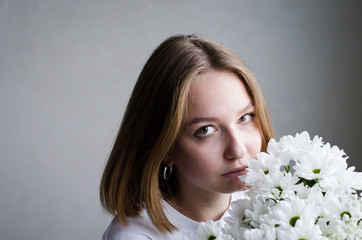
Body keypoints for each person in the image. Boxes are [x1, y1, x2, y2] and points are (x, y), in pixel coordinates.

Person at [100, 34, 274, 239]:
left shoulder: (273, 203)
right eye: (205, 130)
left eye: (245, 117)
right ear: (164, 147)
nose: (237, 150)